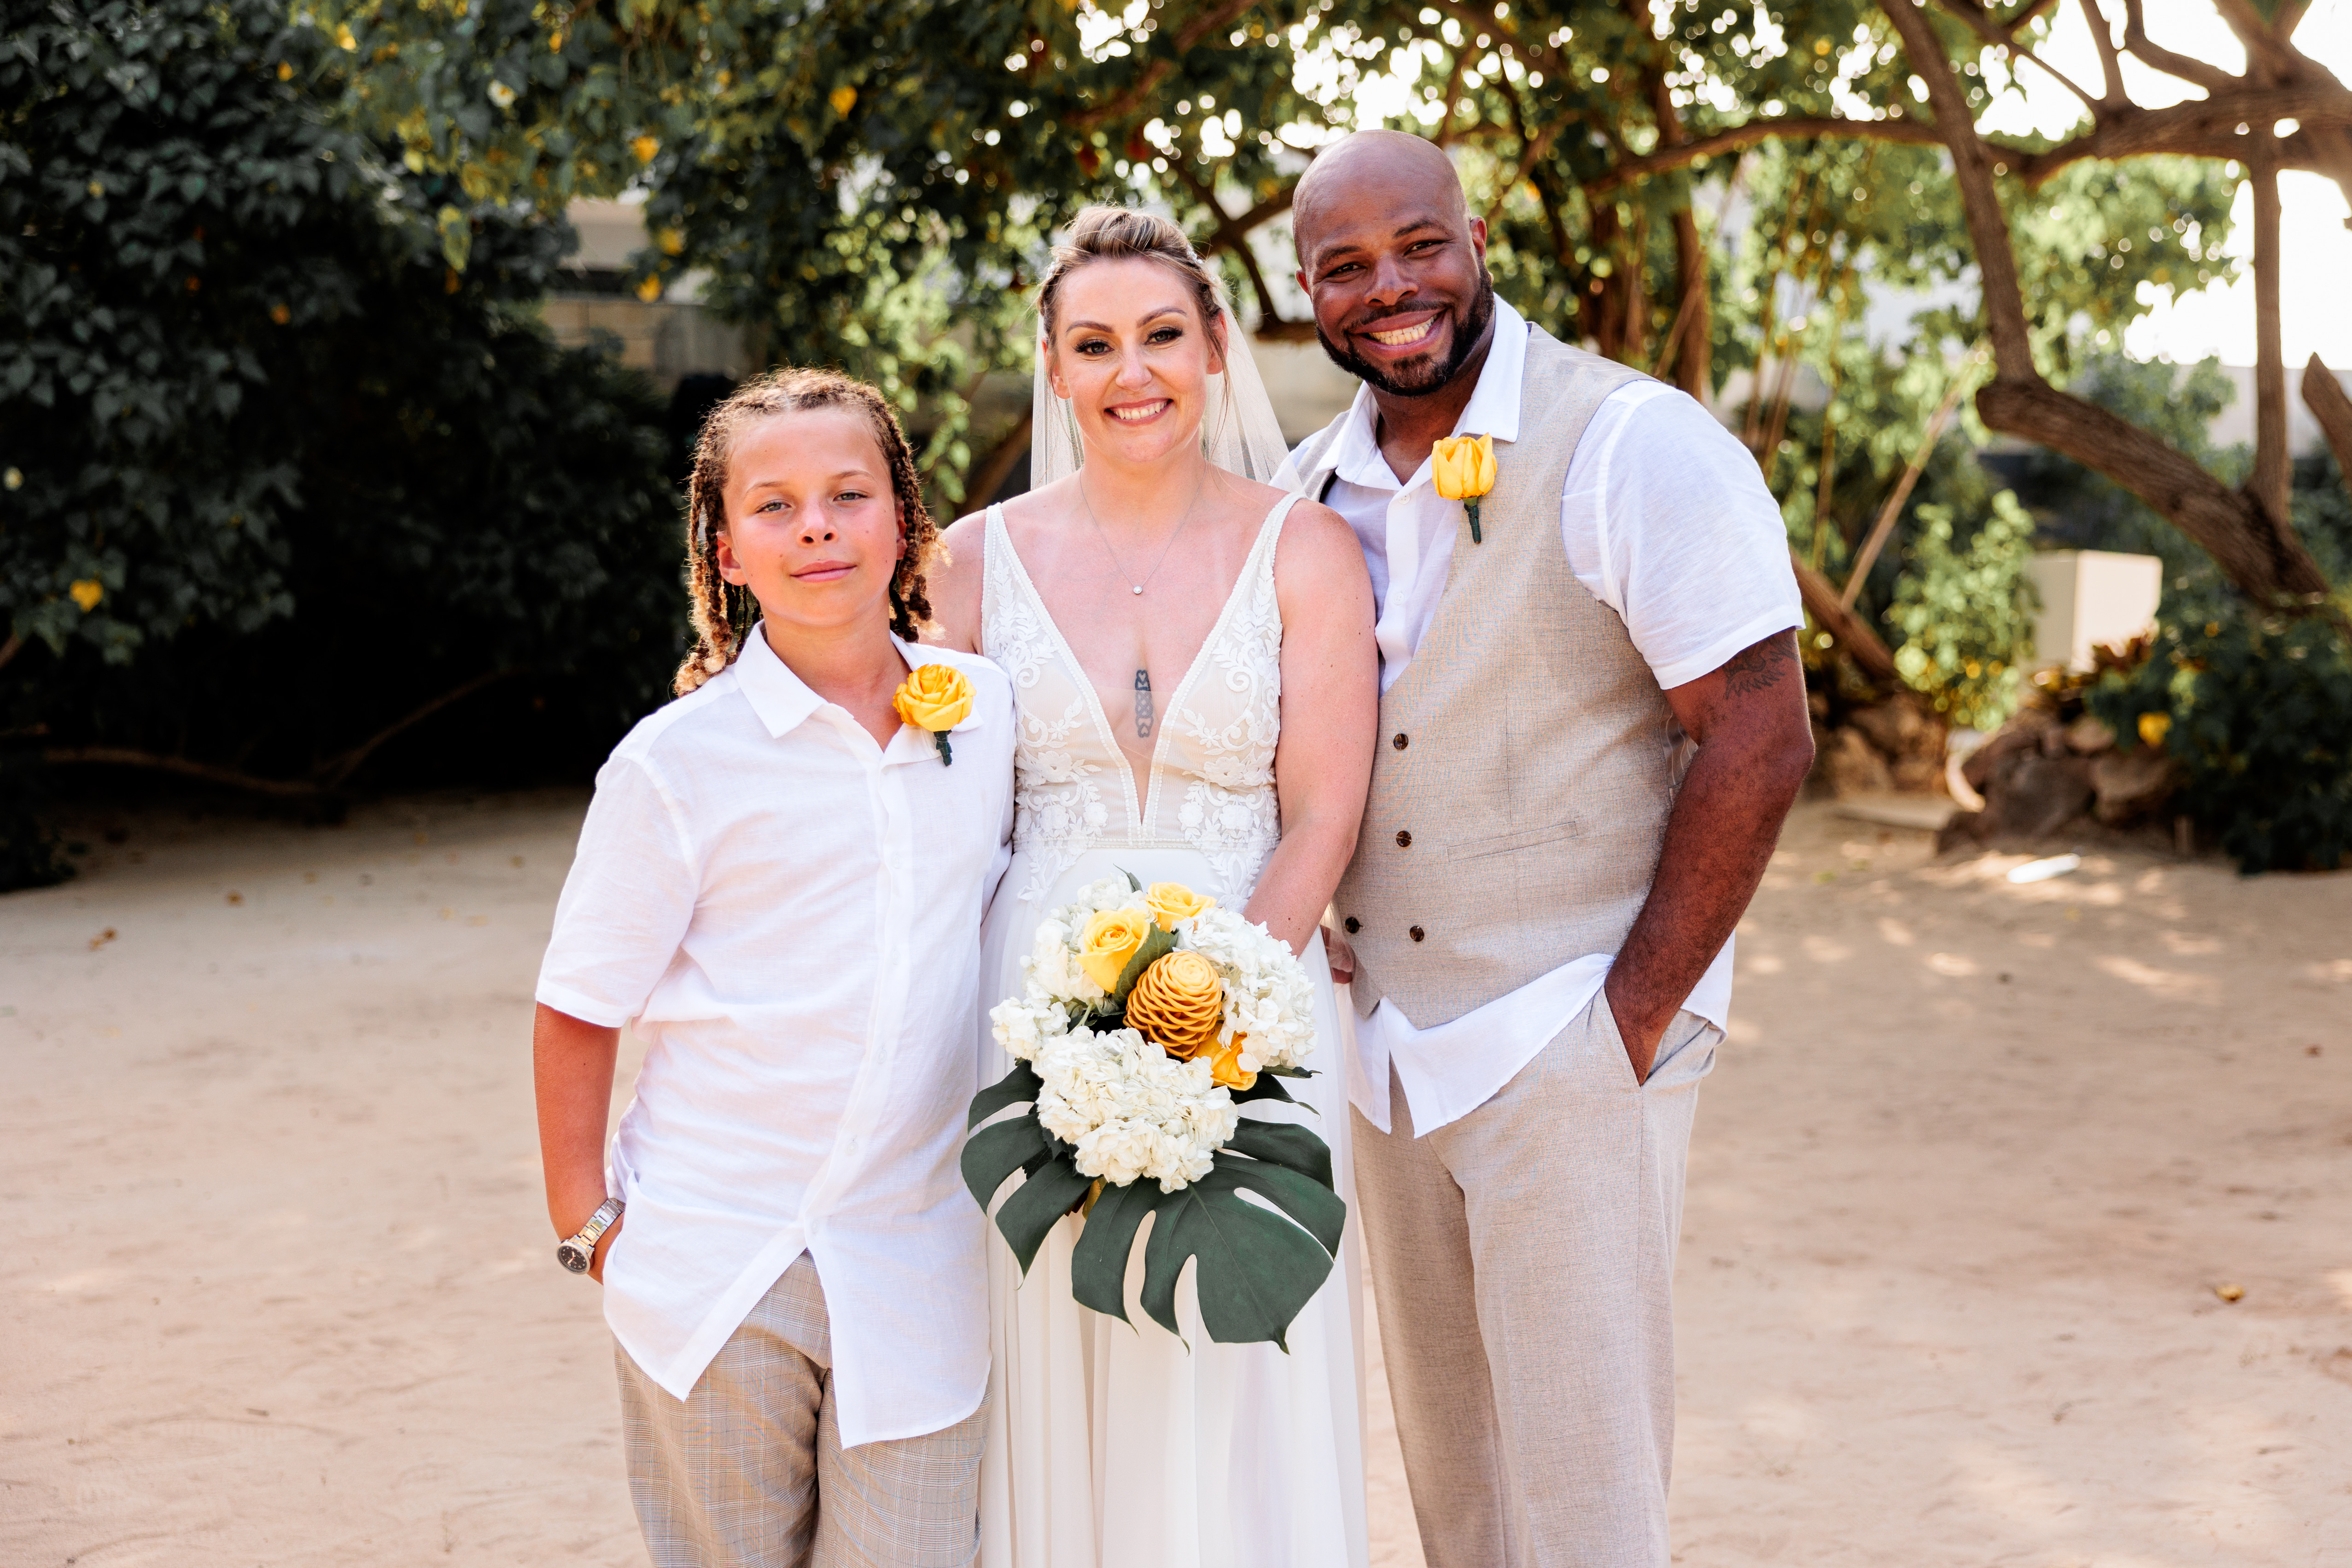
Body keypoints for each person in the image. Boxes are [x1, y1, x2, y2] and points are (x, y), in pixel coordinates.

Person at [1285, 131, 1816, 1567]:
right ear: (1303, 292)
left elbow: (1761, 728)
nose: (1388, 288)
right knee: (1460, 1491)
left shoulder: (1632, 440)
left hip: (1566, 1031)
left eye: (1418, 246)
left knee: (1587, 1496)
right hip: (1386, 1053)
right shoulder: (1298, 493)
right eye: (1344, 267)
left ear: (1475, 242)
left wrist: (1624, 1022)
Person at [926, 206, 1381, 1568]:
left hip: (1258, 993)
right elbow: (934, 808)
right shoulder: (967, 559)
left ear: (1216, 345)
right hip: (1031, 1011)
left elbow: (1325, 812)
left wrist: (1217, 1016)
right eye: (1095, 344)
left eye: (1162, 337)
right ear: (1054, 369)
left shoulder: (1303, 549)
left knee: (1236, 1344)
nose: (1134, 373)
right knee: (1053, 1335)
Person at [531, 368, 1016, 1568]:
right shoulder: (675, 767)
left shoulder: (989, 715)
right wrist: (587, 1223)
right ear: (727, 549)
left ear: (901, 518)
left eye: (849, 494)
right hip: (719, 1259)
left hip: (921, 1257)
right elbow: (578, 1009)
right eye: (775, 505)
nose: (815, 526)